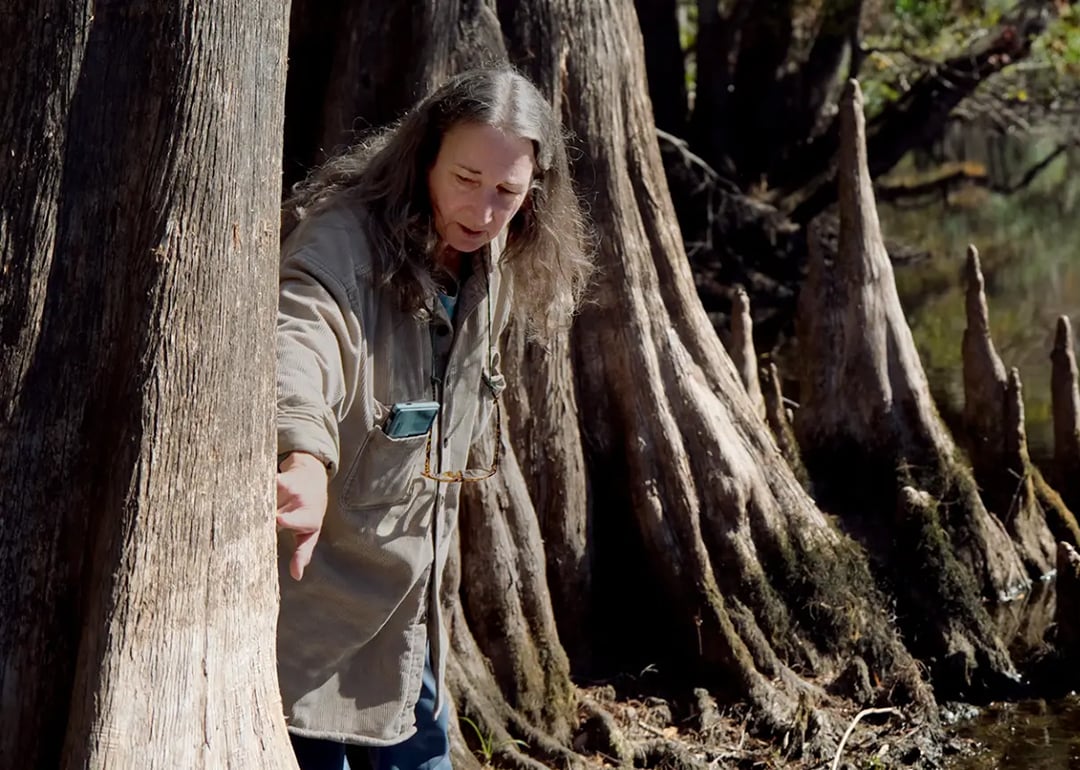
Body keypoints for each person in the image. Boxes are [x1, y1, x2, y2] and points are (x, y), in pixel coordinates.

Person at [274, 66, 591, 770]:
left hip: (410, 608)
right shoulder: (340, 245)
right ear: (424, 158)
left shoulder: (494, 253)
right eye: (466, 179)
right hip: (310, 608)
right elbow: (298, 333)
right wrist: (301, 455)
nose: (482, 211)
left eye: (507, 192)